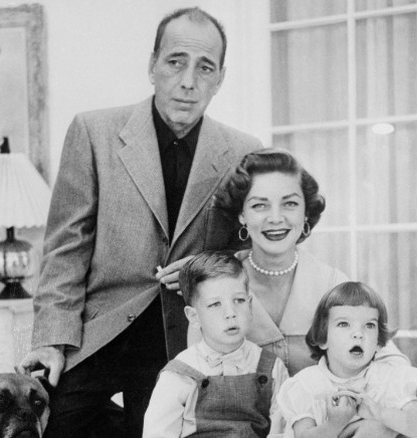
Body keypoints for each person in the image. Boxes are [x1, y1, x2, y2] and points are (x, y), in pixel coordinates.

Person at [17, 7, 262, 438]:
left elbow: (241, 254)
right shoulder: (94, 133)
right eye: (175, 62)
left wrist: (199, 269)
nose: (189, 81)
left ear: (220, 78)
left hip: (183, 339)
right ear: (152, 66)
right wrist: (50, 341)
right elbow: (65, 249)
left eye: (205, 68)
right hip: (97, 330)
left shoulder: (243, 152)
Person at [197, 148, 417, 437]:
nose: (276, 218)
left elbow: (389, 360)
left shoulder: (331, 282)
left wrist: (352, 409)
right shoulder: (220, 285)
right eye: (259, 205)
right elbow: (199, 375)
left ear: (306, 213)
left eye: (290, 204)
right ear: (242, 216)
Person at [144, 251, 288, 437]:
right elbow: (158, 432)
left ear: (250, 306)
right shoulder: (181, 373)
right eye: (215, 304)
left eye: (239, 300)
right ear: (193, 316)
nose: (230, 312)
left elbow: (283, 429)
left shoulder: (271, 368)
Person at [278, 281, 417, 438]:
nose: (358, 333)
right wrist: (335, 423)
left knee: (375, 428)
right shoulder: (307, 385)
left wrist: (380, 413)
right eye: (344, 324)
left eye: (369, 325)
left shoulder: (388, 379)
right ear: (323, 339)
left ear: (378, 342)